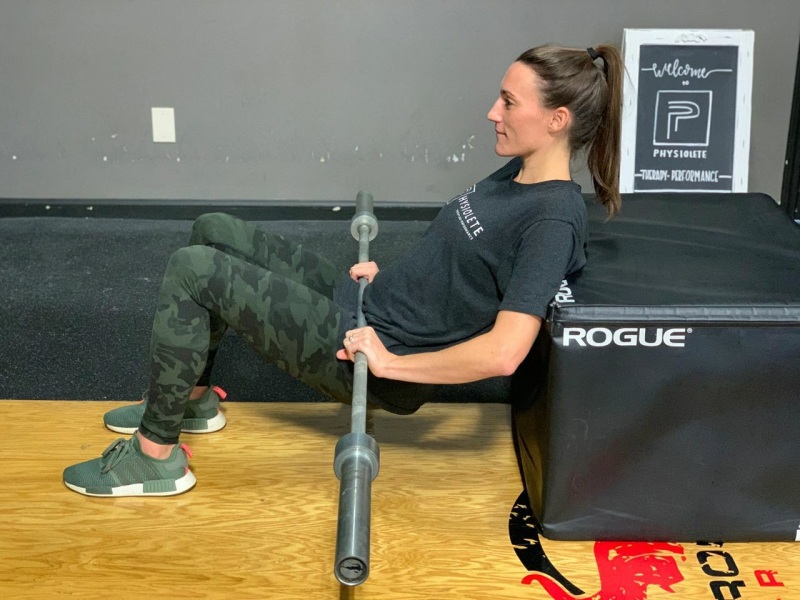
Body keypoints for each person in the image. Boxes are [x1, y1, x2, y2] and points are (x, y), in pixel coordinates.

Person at [63, 43, 623, 497]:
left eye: (507, 101)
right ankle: (189, 400)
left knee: (193, 270)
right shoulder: (518, 173)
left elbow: (505, 351)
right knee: (214, 229)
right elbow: (464, 261)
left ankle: (154, 456)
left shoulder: (553, 219)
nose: (491, 112)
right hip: (367, 303)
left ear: (557, 119)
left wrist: (391, 364)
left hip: (368, 354)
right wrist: (391, 276)